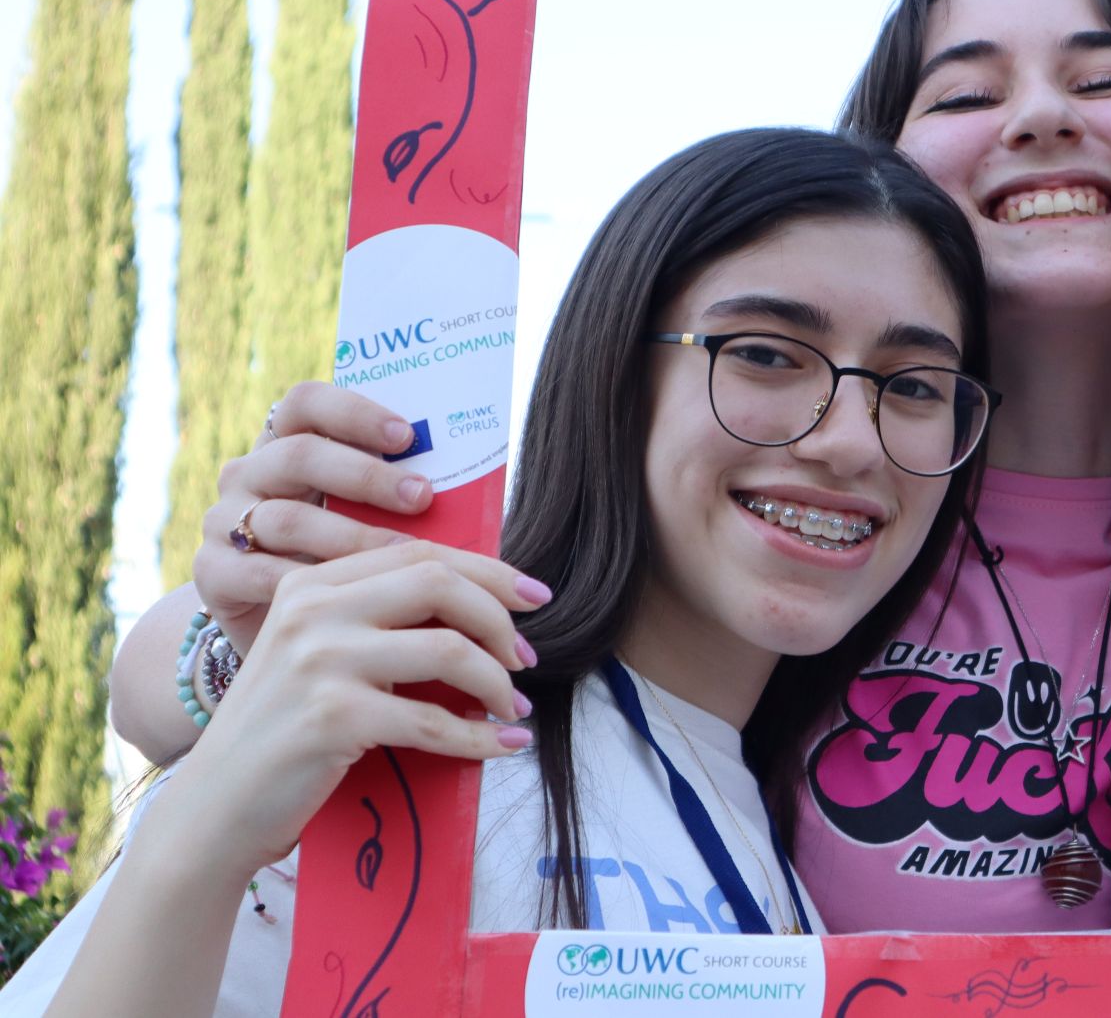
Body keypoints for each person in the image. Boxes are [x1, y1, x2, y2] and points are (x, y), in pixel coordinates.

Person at [106, 0, 1111, 933]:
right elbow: (207, 681)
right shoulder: (806, 501)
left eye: (1108, 81)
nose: (1038, 118)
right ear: (875, 178)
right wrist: (240, 645)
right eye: (966, 93)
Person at [1, 129, 997, 1015]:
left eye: (912, 385)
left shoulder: (775, 833)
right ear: (616, 376)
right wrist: (209, 810)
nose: (848, 442)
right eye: (768, 355)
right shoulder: (410, 733)